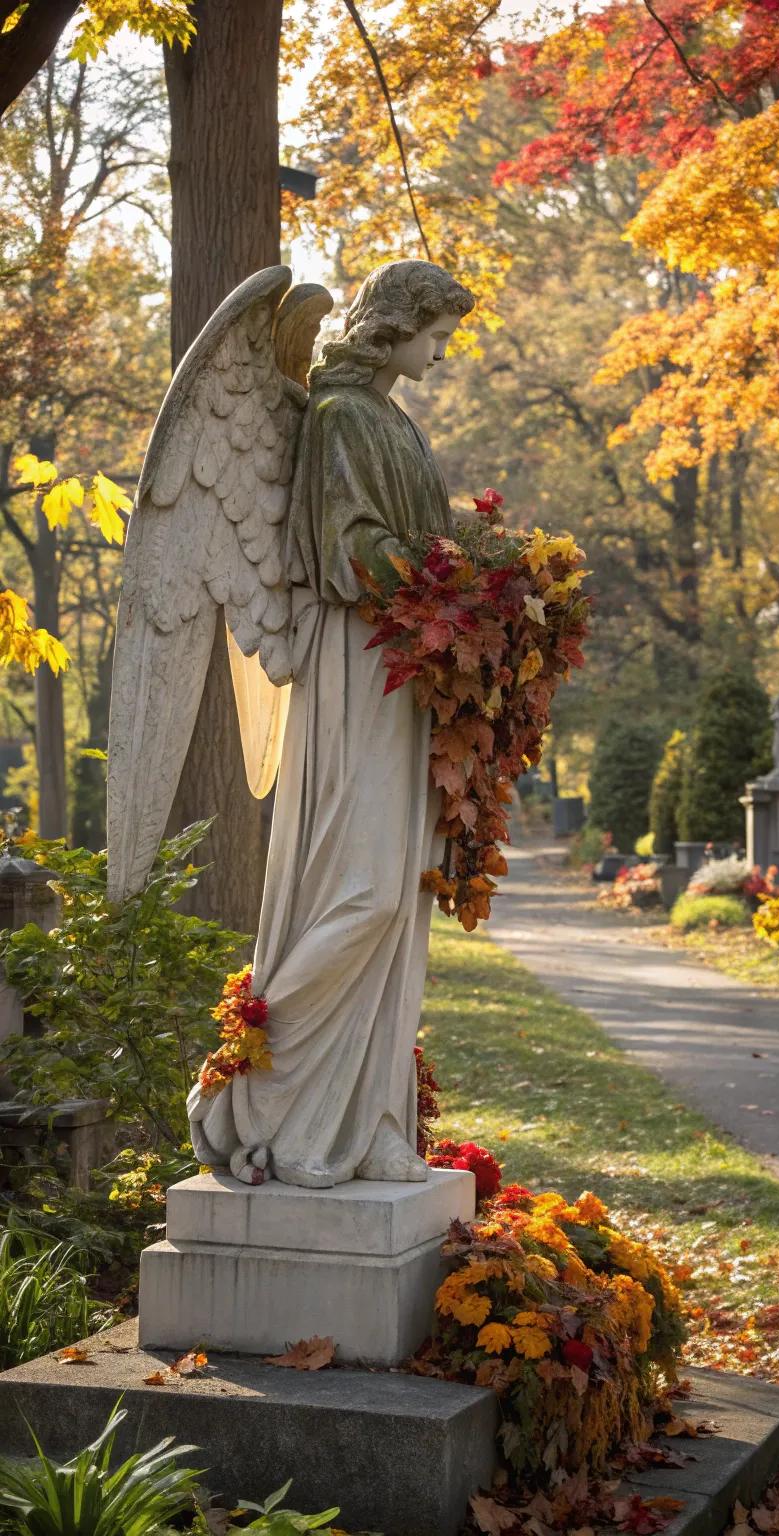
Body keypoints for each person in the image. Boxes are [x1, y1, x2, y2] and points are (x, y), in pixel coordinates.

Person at [189, 260, 475, 1188]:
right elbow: (355, 555)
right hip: (359, 660)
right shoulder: (343, 415)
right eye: (434, 332)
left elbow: (418, 539)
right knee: (366, 894)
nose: (440, 350)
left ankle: (369, 1122)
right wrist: (463, 580)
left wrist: (485, 565)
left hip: (402, 668)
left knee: (400, 898)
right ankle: (260, 1093)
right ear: (395, 324)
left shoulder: (389, 416)